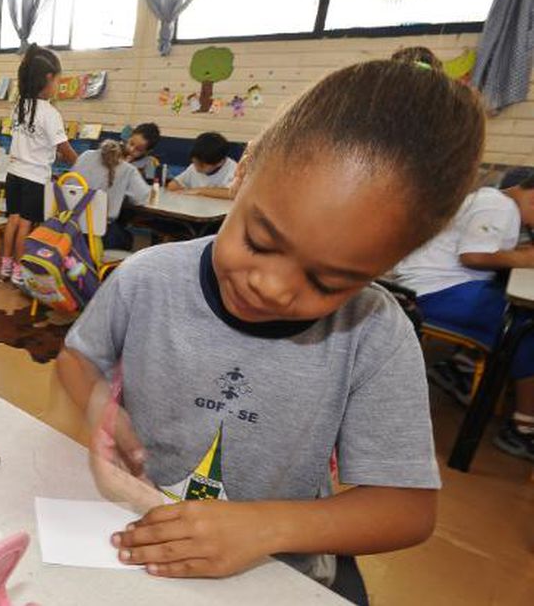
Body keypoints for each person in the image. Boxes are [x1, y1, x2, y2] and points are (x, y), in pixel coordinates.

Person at [56, 60, 484, 602]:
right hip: (138, 548)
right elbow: (77, 358)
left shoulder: (374, 334)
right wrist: (102, 410)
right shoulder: (147, 278)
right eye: (260, 241)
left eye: (329, 281)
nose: (274, 288)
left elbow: (408, 509)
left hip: (277, 577)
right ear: (246, 168)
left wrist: (265, 528)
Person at [393, 171, 534, 460]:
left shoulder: (498, 202)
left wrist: (518, 253)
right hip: (434, 292)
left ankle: (460, 368)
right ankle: (523, 428)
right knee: (524, 328)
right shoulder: (499, 207)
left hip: (435, 287)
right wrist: (525, 259)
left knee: (509, 310)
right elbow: (473, 256)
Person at [0, 44, 78, 286]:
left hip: (13, 174)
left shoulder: (19, 106)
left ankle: (5, 266)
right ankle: (21, 270)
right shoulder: (50, 113)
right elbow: (65, 151)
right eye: (58, 81)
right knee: (26, 224)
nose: (58, 86)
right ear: (48, 78)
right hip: (34, 178)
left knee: (12, 220)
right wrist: (81, 164)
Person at [72, 140, 150, 251]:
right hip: (100, 236)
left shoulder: (85, 156)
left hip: (71, 228)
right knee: (128, 237)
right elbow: (141, 198)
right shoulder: (128, 169)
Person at [167, 131, 236, 198]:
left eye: (202, 166)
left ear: (220, 162)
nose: (197, 168)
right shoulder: (193, 167)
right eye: (194, 163)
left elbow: (233, 193)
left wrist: (199, 191)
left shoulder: (234, 170)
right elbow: (173, 185)